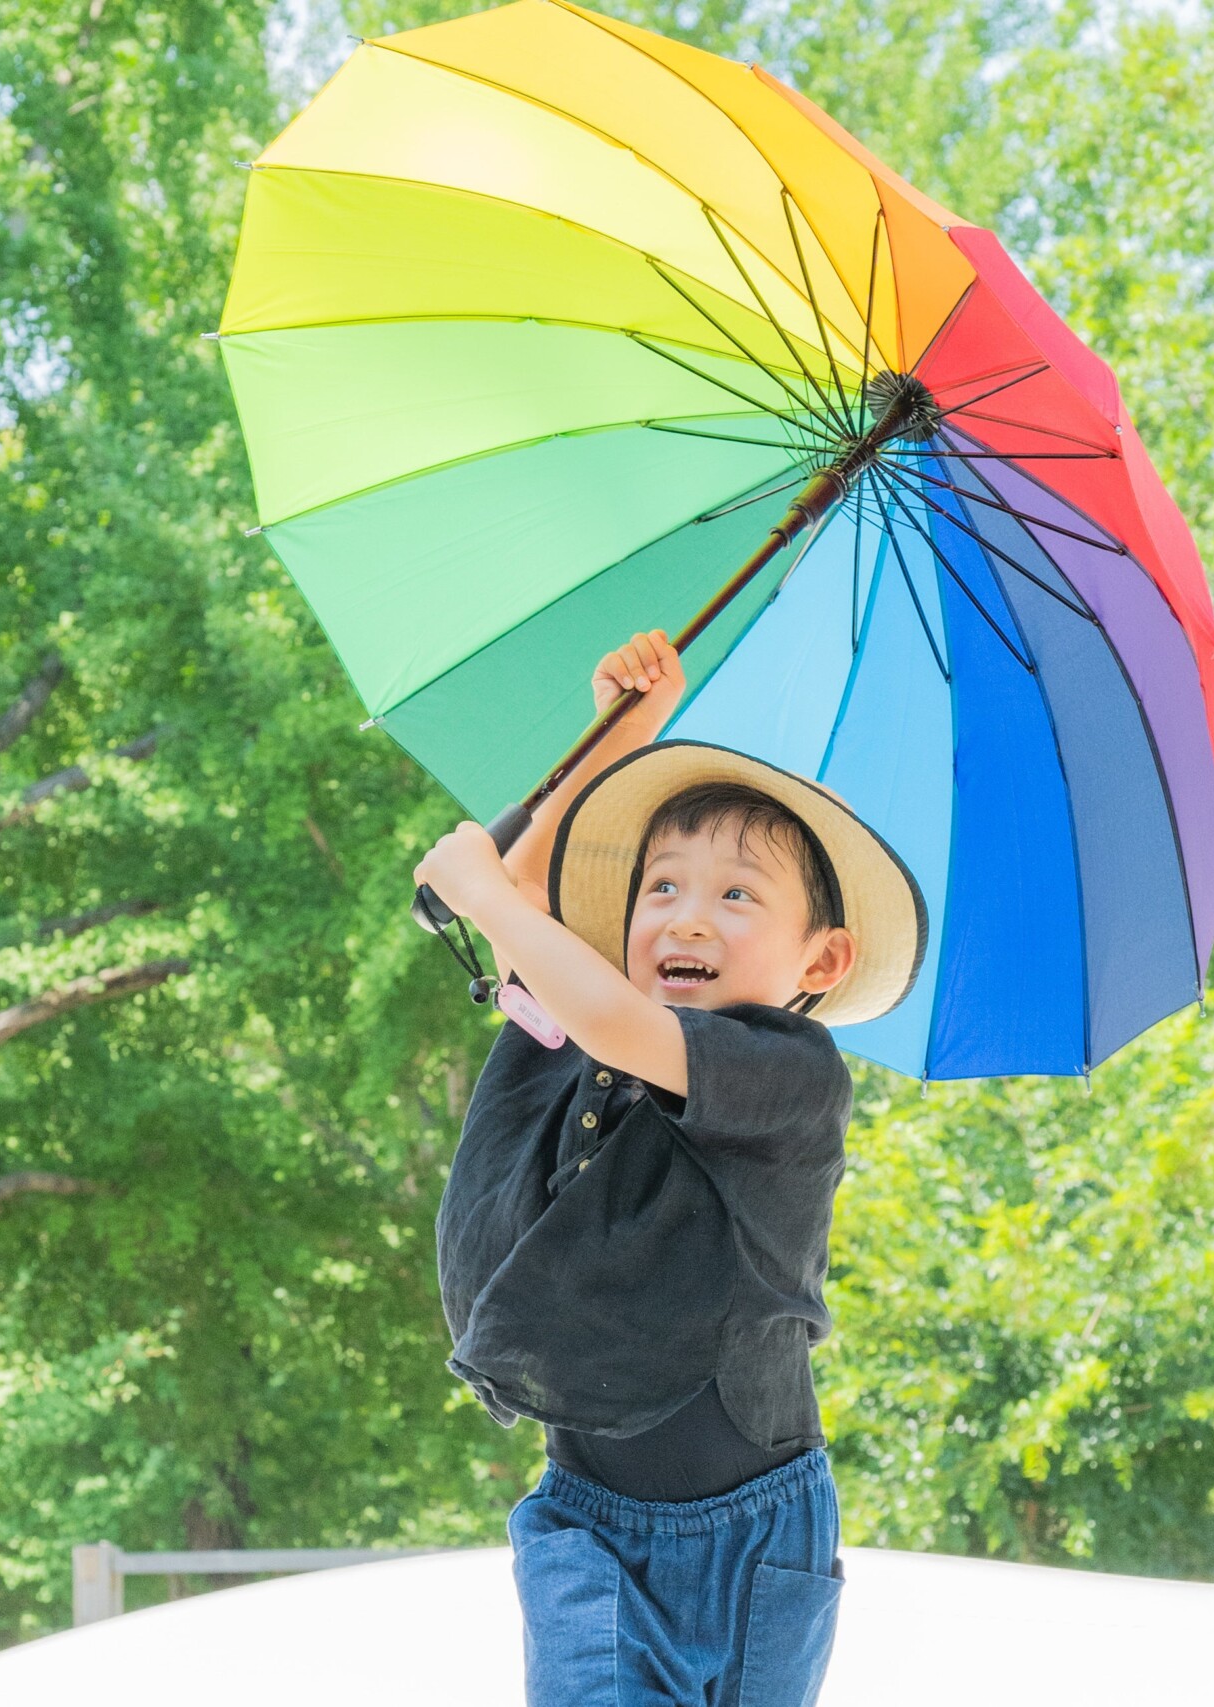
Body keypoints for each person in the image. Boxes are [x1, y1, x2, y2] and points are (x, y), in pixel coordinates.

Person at [413, 629, 925, 1707]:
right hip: (585, 1521)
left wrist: (492, 900)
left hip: (755, 1531)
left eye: (737, 897)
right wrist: (623, 730)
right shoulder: (588, 1018)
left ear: (820, 962)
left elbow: (550, 951)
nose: (687, 914)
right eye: (660, 889)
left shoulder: (786, 1074)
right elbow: (527, 895)